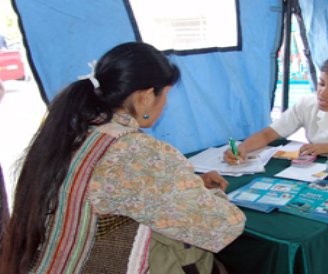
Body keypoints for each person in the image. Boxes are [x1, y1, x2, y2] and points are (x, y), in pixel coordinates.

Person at [0, 42, 246, 274]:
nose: (165, 103)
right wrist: (210, 194)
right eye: (166, 95)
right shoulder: (136, 151)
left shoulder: (73, 131)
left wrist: (186, 186)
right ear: (146, 96)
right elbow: (224, 225)